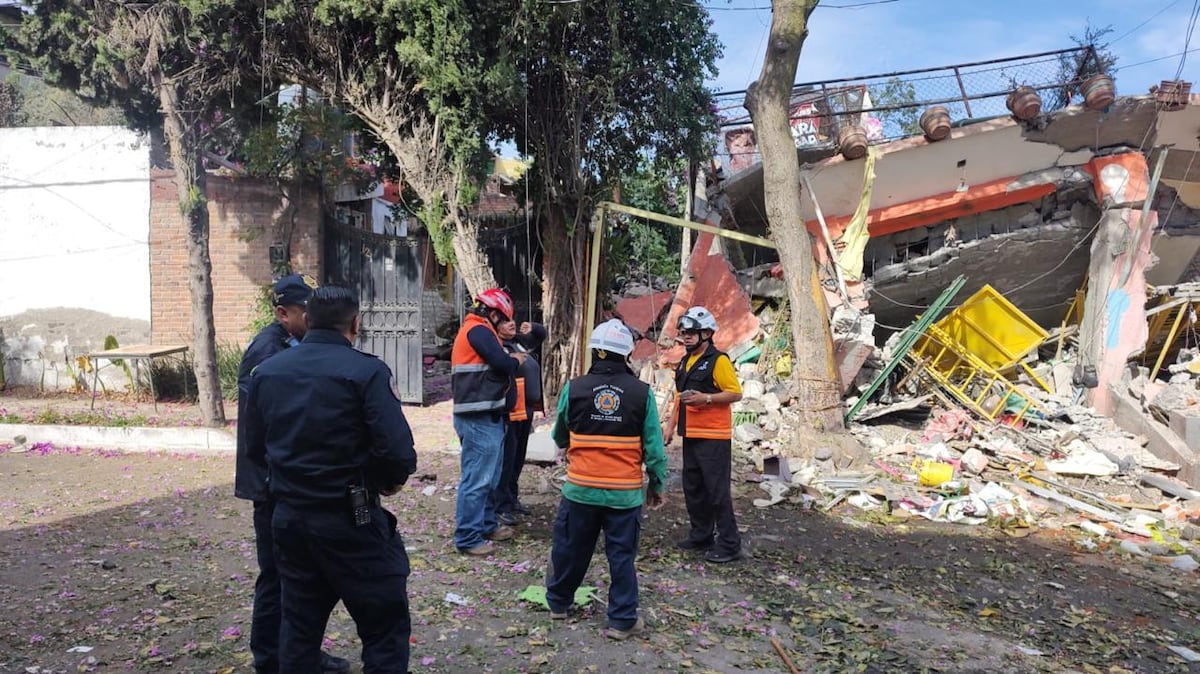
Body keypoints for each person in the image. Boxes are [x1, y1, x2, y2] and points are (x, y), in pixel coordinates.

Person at [243, 285, 418, 673]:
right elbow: (398, 453)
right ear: (355, 323)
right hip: (350, 519)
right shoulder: (366, 371)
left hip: (290, 519)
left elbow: (254, 449)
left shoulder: (268, 373)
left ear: (306, 319)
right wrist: (381, 481)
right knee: (384, 628)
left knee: (299, 627)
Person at [234, 273, 350, 674]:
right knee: (277, 579)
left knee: (302, 582)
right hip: (273, 487)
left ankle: (300, 653)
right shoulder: (267, 353)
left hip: (289, 485)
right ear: (284, 313)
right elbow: (261, 431)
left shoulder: (293, 344)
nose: (312, 319)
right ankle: (270, 658)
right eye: (305, 312)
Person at [545, 319, 667, 640]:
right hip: (623, 496)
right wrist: (656, 485)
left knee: (570, 549)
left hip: (580, 492)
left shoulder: (575, 388)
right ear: (626, 354)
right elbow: (654, 447)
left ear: (596, 352)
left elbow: (560, 434)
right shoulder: (642, 394)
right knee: (622, 557)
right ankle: (622, 621)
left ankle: (558, 603)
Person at [663, 306, 745, 564]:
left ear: (707, 333)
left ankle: (730, 544)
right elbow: (679, 398)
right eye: (684, 332)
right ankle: (701, 535)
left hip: (714, 437)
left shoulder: (718, 361)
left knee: (716, 491)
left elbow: (735, 392)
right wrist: (669, 426)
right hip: (691, 434)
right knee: (694, 488)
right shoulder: (686, 362)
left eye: (692, 332)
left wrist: (706, 398)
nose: (686, 337)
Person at [451, 288, 527, 555]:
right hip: (476, 416)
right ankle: (468, 537)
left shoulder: (483, 330)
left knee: (490, 477)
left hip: (487, 414)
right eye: (503, 317)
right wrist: (514, 360)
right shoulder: (478, 331)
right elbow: (502, 363)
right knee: (478, 479)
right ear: (493, 314)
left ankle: (485, 524)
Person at [495, 317, 547, 525]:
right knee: (508, 458)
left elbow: (541, 335)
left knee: (518, 457)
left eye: (512, 320)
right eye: (505, 321)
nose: (511, 323)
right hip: (511, 409)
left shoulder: (518, 342)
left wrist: (533, 327)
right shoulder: (498, 347)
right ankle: (501, 506)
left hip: (526, 408)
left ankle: (512, 499)